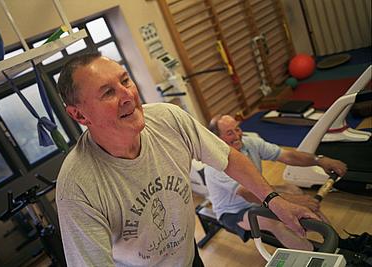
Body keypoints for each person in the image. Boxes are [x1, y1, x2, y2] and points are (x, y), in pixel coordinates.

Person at [55, 52, 319, 267]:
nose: (127, 96)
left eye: (125, 81)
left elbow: (229, 159)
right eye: (107, 93)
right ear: (79, 116)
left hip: (187, 255)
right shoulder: (77, 186)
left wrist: (275, 201)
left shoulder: (168, 119)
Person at [205, 114, 347, 250]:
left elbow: (288, 156)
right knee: (273, 221)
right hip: (234, 212)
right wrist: (289, 202)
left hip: (258, 197)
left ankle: (339, 243)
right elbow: (247, 193)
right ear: (217, 138)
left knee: (293, 190)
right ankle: (318, 258)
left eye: (237, 129)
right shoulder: (215, 164)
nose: (237, 136)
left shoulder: (248, 143)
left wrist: (319, 160)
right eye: (229, 133)